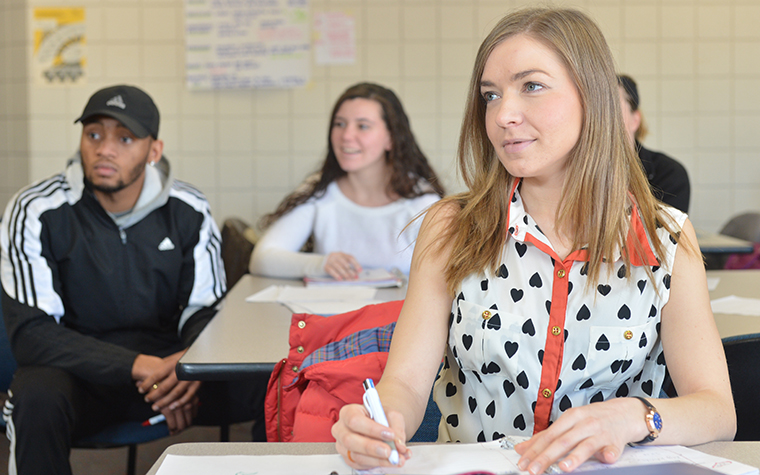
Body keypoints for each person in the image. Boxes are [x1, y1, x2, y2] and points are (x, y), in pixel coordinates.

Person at [332, 7, 735, 474]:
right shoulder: (451, 227)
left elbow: (717, 410)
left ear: (594, 97)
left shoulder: (665, 236)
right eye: (490, 95)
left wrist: (635, 415)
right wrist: (378, 421)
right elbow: (403, 382)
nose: (503, 114)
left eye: (532, 86)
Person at [0, 85, 266, 475]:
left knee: (277, 381)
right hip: (82, 375)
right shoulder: (37, 209)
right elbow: (33, 335)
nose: (105, 149)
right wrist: (139, 366)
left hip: (171, 371)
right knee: (34, 397)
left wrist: (189, 366)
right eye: (94, 134)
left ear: (153, 151)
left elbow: (204, 312)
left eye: (124, 138)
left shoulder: (188, 210)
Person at [249, 82, 444, 280]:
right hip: (330, 310)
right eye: (340, 124)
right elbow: (262, 259)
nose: (347, 136)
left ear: (391, 138)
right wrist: (321, 264)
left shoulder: (422, 203)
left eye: (363, 126)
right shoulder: (319, 190)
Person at [618, 74, 691, 213]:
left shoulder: (669, 174)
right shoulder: (576, 173)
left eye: (613, 108)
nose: (604, 119)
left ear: (635, 120)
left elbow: (662, 233)